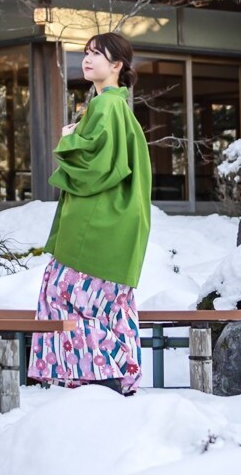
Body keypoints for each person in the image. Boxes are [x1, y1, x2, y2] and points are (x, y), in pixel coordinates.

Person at [29, 32, 152, 395]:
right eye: (86, 52)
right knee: (110, 305)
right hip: (116, 229)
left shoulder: (107, 107)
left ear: (117, 65)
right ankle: (119, 375)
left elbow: (96, 167)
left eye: (98, 54)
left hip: (95, 228)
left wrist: (69, 139)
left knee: (65, 296)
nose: (87, 59)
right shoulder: (112, 106)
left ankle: (100, 377)